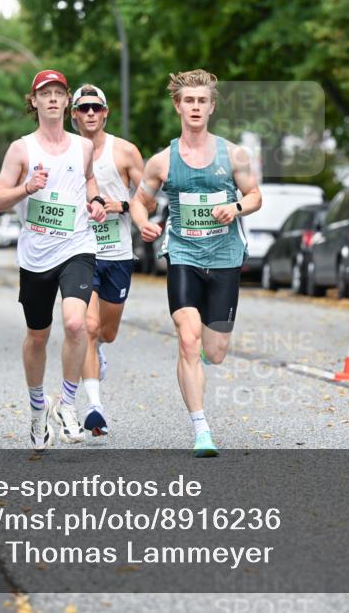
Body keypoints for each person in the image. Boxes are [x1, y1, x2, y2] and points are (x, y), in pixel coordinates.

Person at [130, 69, 262, 457]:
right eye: (189, 100)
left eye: (202, 101)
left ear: (212, 106)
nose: (195, 107)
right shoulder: (162, 161)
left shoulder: (233, 154)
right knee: (187, 339)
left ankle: (204, 353)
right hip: (183, 254)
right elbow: (141, 201)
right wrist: (143, 224)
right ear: (178, 106)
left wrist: (235, 207)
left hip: (224, 256)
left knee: (215, 351)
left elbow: (254, 195)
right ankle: (201, 430)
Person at [0, 69, 108, 451]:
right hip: (36, 255)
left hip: (77, 245)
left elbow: (89, 180)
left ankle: (68, 404)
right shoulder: (21, 149)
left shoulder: (83, 146)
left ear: (66, 99)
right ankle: (38, 408)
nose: (53, 99)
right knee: (38, 336)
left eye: (59, 92)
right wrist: (27, 187)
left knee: (76, 324)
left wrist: (95, 202)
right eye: (46, 93)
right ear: (35, 101)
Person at [69, 84, 146, 437]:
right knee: (86, 327)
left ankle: (98, 353)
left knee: (107, 332)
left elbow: (151, 199)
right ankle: (95, 407)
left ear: (105, 113)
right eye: (82, 108)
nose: (89, 114)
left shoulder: (126, 152)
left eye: (95, 108)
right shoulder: (64, 153)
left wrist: (124, 205)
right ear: (73, 115)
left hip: (117, 254)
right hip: (80, 253)